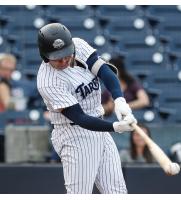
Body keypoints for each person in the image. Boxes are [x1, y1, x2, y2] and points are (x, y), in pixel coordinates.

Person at [36, 23, 137, 194]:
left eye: (66, 54)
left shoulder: (79, 45)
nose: (63, 60)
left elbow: (105, 72)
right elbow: (79, 118)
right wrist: (115, 127)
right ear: (45, 56)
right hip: (74, 135)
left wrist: (119, 100)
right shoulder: (47, 81)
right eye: (56, 57)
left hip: (99, 125)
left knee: (117, 192)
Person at [0, 53, 16, 162]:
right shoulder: (2, 85)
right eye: (4, 69)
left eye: (11, 70)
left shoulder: (7, 84)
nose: (8, 73)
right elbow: (8, 105)